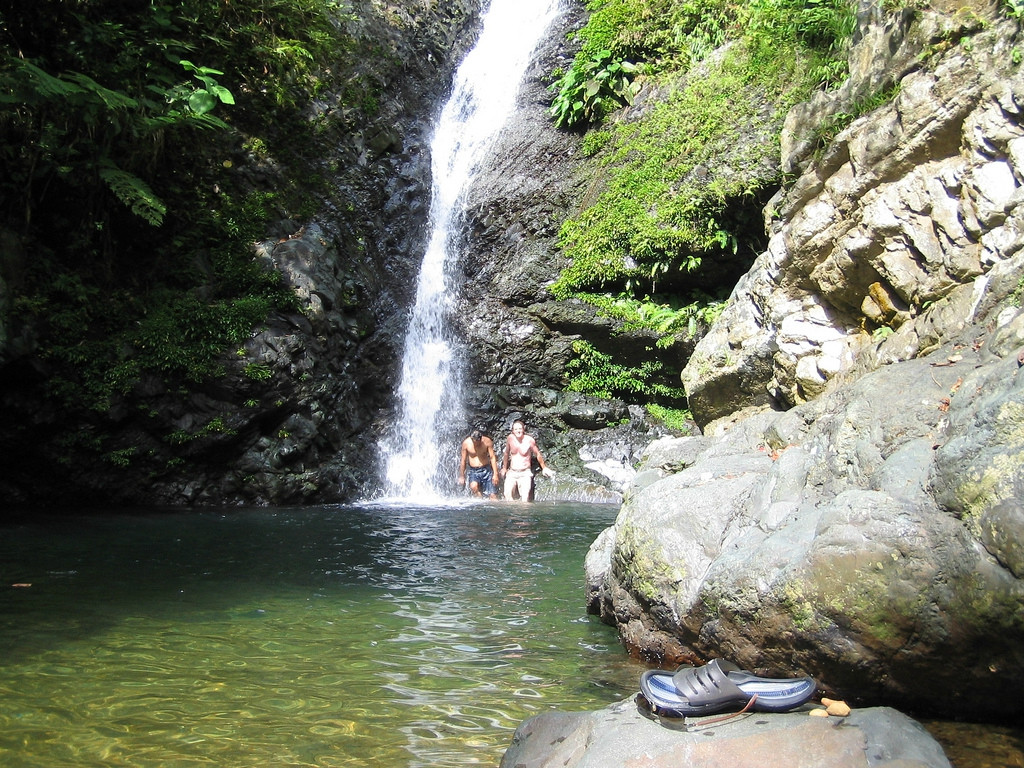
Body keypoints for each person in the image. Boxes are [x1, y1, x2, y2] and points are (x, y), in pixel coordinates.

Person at [501, 420, 553, 502]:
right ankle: (512, 514)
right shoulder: (510, 438)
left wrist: (544, 468)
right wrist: (504, 468)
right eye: (516, 429)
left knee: (525, 499)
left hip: (525, 473)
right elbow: (506, 453)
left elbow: (537, 454)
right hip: (512, 472)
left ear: (523, 429)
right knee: (507, 495)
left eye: (520, 429)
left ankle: (523, 514)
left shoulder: (529, 440)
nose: (518, 431)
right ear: (513, 431)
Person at [457, 428, 499, 499]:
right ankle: (481, 502)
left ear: (481, 439)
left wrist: (495, 474)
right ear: (471, 438)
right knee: (473, 487)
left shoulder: (487, 441)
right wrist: (461, 476)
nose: (476, 445)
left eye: (478, 443)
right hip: (474, 470)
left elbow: (492, 457)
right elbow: (463, 460)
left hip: (486, 469)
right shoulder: (466, 443)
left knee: (493, 495)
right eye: (474, 443)